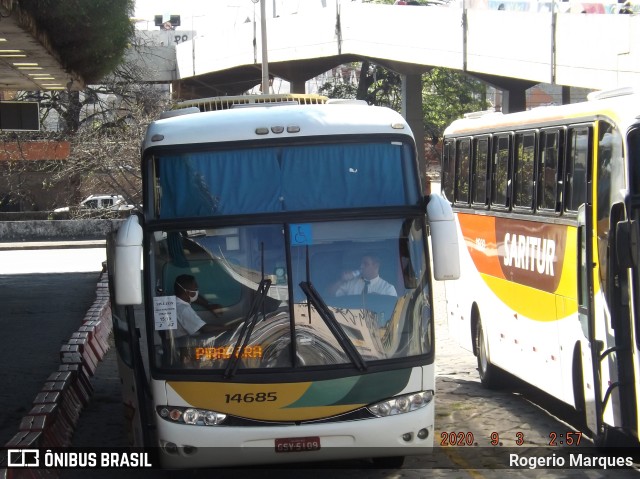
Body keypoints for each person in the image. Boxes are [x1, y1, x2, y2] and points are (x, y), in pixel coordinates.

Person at [173, 274, 229, 340]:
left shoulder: (175, 301)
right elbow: (205, 329)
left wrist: (209, 305)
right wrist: (229, 327)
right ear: (187, 292)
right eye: (196, 289)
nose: (197, 291)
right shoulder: (184, 309)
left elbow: (196, 298)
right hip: (183, 344)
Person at [329, 254, 397, 297]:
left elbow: (391, 309)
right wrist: (342, 280)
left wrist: (378, 299)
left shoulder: (388, 288)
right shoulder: (351, 282)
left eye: (365, 264)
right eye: (361, 263)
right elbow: (331, 294)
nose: (361, 266)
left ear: (376, 266)